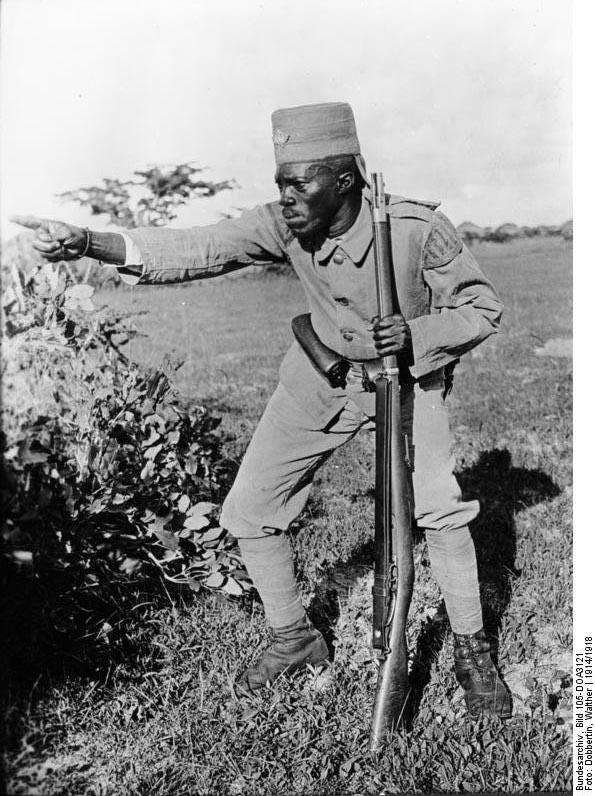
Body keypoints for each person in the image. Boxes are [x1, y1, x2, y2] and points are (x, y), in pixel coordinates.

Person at [13, 102, 511, 718]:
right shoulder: (285, 224)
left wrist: (415, 335)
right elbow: (201, 245)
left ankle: (471, 649)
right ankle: (294, 639)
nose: (286, 197)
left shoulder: (416, 228)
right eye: (281, 183)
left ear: (345, 180)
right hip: (319, 379)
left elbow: (482, 308)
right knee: (249, 511)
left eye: (299, 183)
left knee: (440, 511)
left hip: (406, 384)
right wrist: (90, 242)